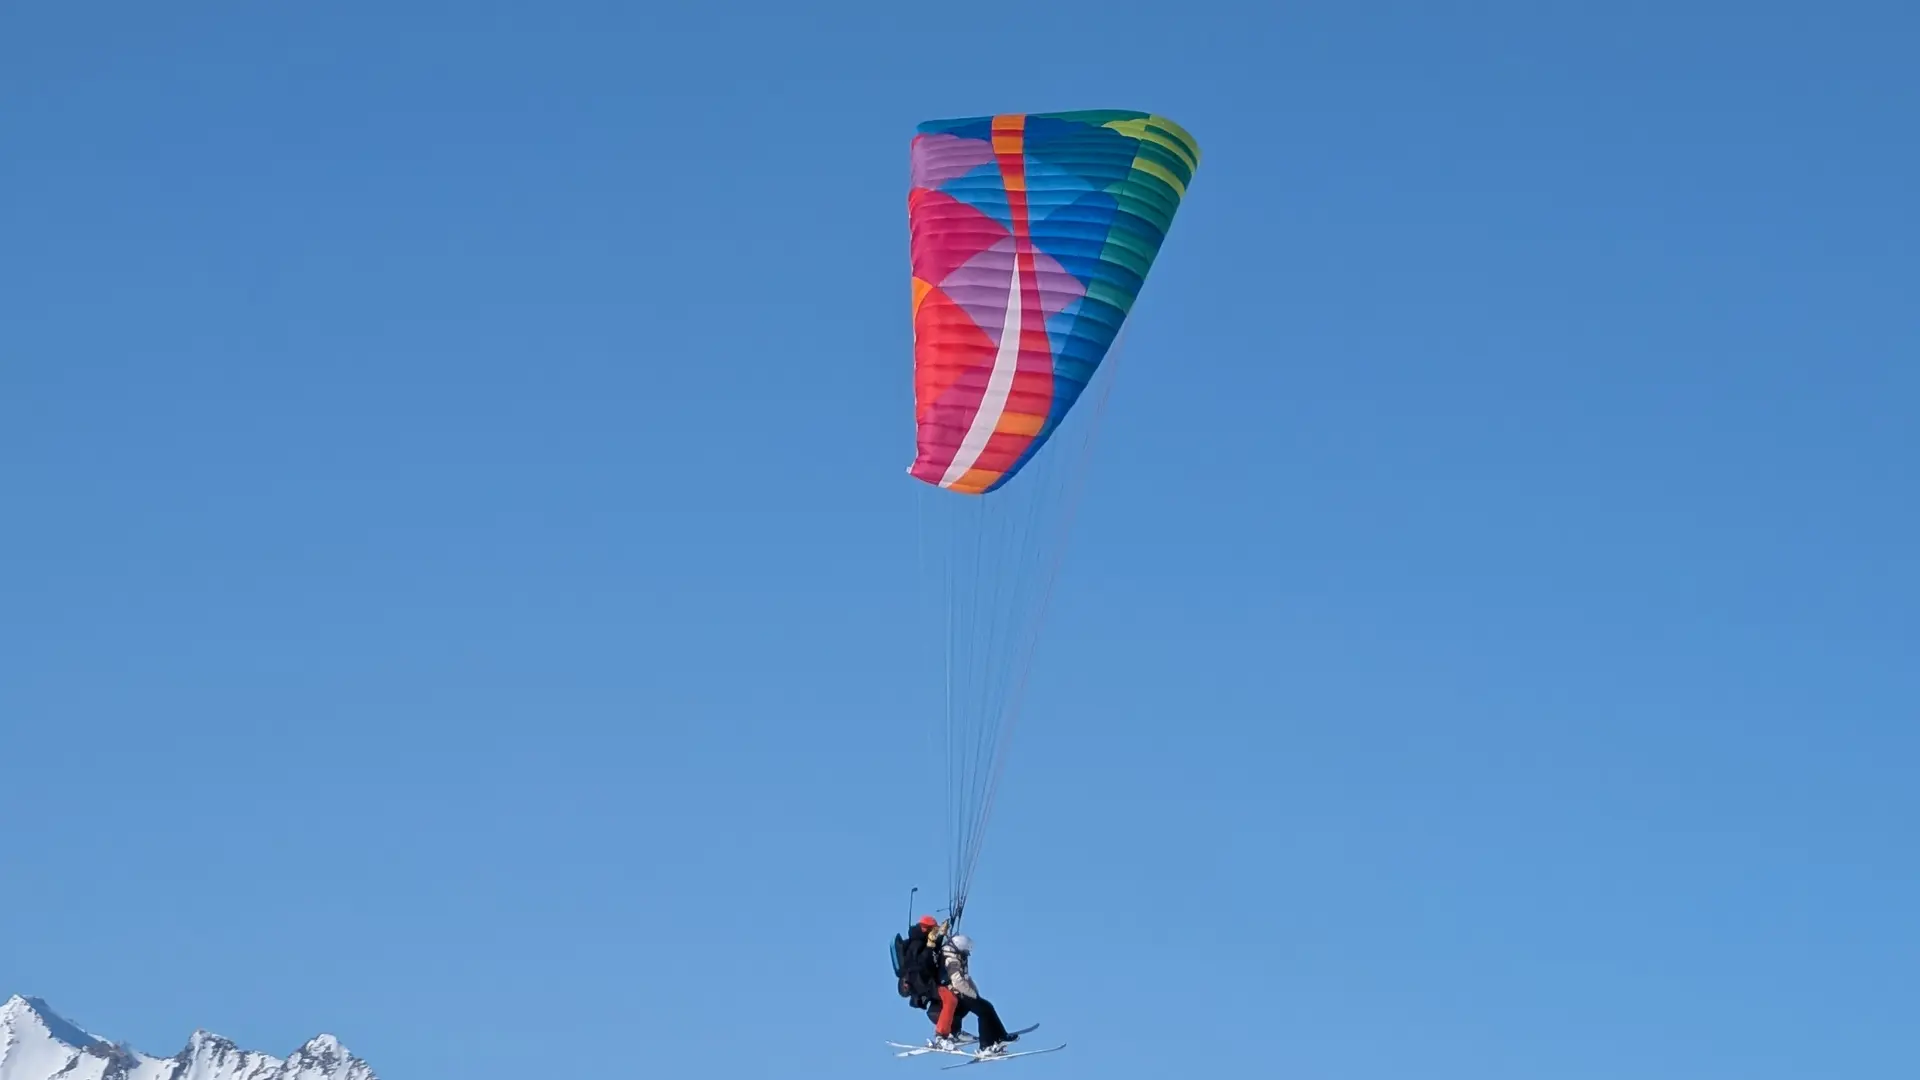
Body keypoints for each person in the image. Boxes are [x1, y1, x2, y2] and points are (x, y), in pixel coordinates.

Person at [938, 934, 1020, 1055]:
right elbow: (957, 981)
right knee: (983, 1012)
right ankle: (985, 1046)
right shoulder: (952, 960)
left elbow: (965, 977)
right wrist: (972, 994)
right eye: (966, 950)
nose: (967, 953)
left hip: (964, 991)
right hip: (958, 992)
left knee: (988, 1007)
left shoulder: (957, 956)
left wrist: (974, 991)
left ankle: (1000, 1036)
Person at [896, 915, 964, 1044]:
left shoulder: (922, 940)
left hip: (928, 982)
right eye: (933, 930)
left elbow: (932, 952)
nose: (935, 932)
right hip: (922, 983)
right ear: (924, 929)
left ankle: (954, 1031)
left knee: (958, 997)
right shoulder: (915, 944)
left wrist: (941, 936)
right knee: (950, 999)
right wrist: (931, 944)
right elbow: (923, 962)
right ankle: (941, 1035)